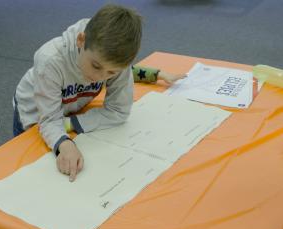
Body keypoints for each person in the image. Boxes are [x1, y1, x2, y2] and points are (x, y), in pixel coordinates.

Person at [13, 4, 183, 182]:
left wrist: (69, 124)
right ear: (81, 40)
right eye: (95, 66)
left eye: (111, 73)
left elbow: (119, 111)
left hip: (70, 108)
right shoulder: (50, 60)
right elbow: (48, 120)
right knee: (29, 167)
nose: (98, 77)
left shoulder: (107, 61)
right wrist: (64, 142)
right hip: (33, 111)